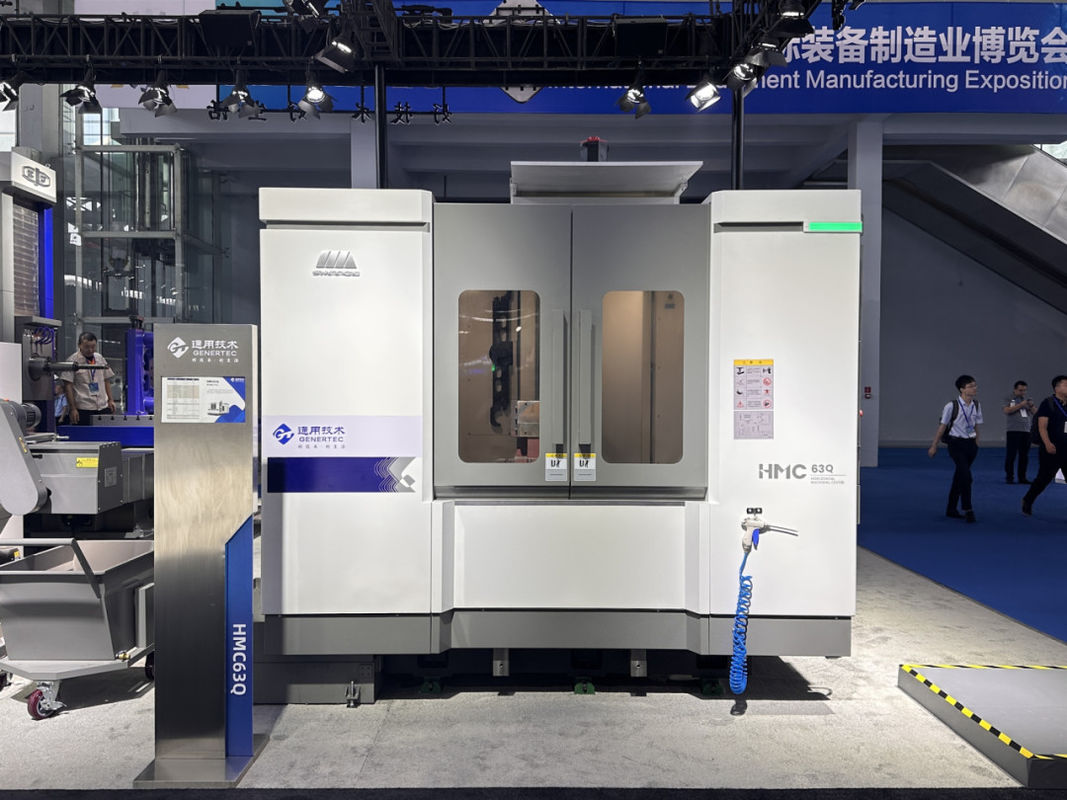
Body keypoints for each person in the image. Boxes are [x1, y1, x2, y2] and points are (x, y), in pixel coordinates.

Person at [928, 375, 983, 522]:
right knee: (966, 476)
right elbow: (942, 426)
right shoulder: (951, 406)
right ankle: (968, 509)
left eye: (975, 385)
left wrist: (977, 441)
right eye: (971, 386)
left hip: (970, 445)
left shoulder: (976, 405)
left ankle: (951, 508)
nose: (975, 388)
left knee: (960, 476)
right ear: (962, 389)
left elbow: (976, 424)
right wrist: (934, 445)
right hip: (956, 444)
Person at [1022, 375, 1067, 516]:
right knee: (1044, 478)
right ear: (1057, 388)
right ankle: (1028, 500)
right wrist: (1047, 443)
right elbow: (1042, 427)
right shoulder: (1048, 403)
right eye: (1066, 385)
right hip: (1051, 448)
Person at [60, 332, 116, 426]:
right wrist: (73, 408)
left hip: (102, 406)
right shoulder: (72, 361)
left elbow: (106, 379)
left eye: (93, 347)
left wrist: (110, 400)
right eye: (87, 347)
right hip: (83, 408)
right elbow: (68, 385)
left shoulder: (99, 358)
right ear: (79, 345)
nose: (90, 350)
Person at [1002, 380, 1036, 484]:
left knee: (1024, 455)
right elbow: (1007, 410)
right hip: (1013, 430)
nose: (1023, 392)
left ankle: (1022, 477)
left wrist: (1031, 406)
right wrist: (1021, 404)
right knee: (1011, 455)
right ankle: (1009, 477)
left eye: (1024, 390)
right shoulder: (1009, 398)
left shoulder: (1026, 400)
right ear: (1015, 390)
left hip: (1026, 430)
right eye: (1020, 390)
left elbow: (1036, 413)